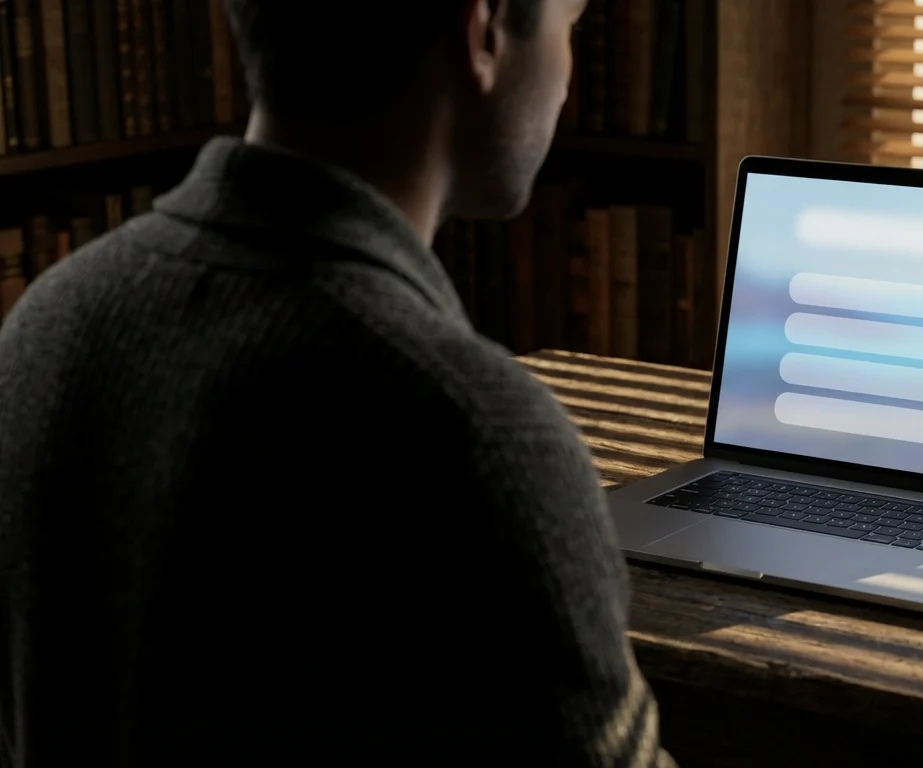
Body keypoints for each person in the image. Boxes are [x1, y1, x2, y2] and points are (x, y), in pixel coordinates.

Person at [0, 1, 675, 765]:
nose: (564, 79)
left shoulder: (46, 325)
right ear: (483, 34)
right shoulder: (467, 429)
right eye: (569, 28)